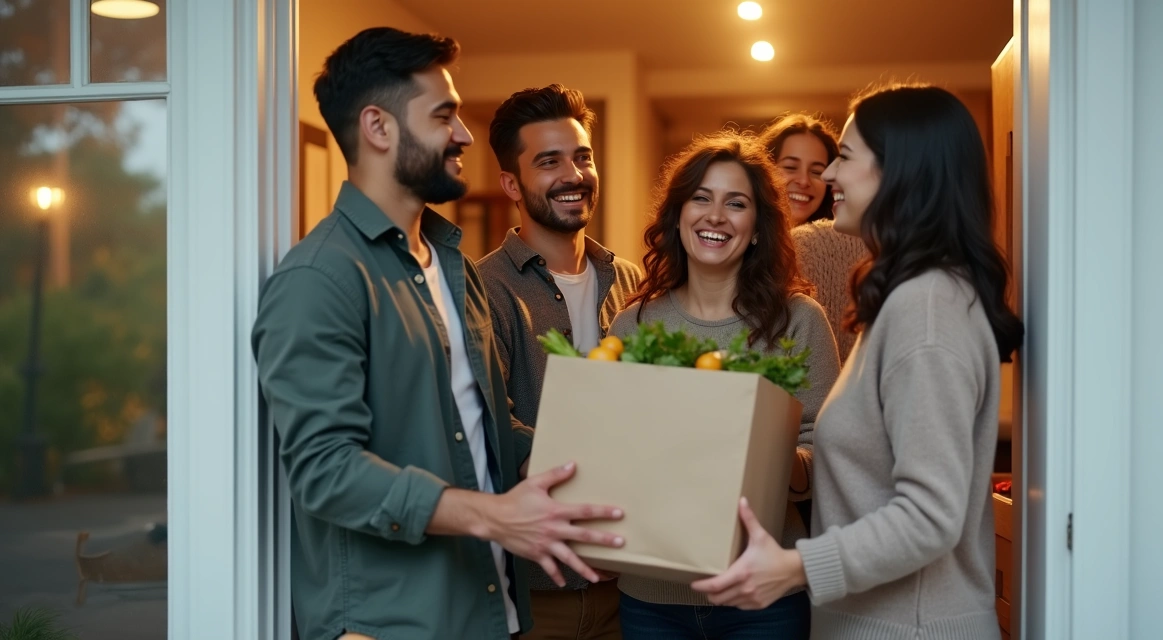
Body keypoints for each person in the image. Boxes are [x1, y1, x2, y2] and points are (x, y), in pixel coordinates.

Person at [251, 28, 625, 640]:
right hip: (388, 623)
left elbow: (493, 435)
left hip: (486, 611)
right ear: (378, 128)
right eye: (444, 115)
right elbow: (326, 471)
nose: (465, 135)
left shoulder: (451, 266)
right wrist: (496, 517)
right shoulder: (319, 278)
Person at [691, 84, 1025, 640]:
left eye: (843, 158)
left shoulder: (928, 308)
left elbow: (930, 514)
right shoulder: (908, 298)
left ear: (900, 173)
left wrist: (794, 568)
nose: (826, 179)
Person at [607, 130, 840, 640]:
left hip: (764, 592)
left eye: (736, 203)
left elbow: (829, 448)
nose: (715, 216)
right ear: (678, 216)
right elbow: (611, 449)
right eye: (701, 199)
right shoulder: (633, 327)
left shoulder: (798, 320)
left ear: (757, 228)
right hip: (652, 597)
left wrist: (764, 459)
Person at [477, 83, 643, 640]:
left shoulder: (631, 281)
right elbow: (487, 416)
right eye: (549, 162)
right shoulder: (482, 288)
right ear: (511, 184)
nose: (574, 174)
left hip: (633, 577)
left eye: (582, 156)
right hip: (538, 588)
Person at [760, 113, 869, 362]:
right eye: (790, 167)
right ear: (764, 170)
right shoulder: (737, 246)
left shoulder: (841, 247)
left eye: (817, 171)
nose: (803, 181)